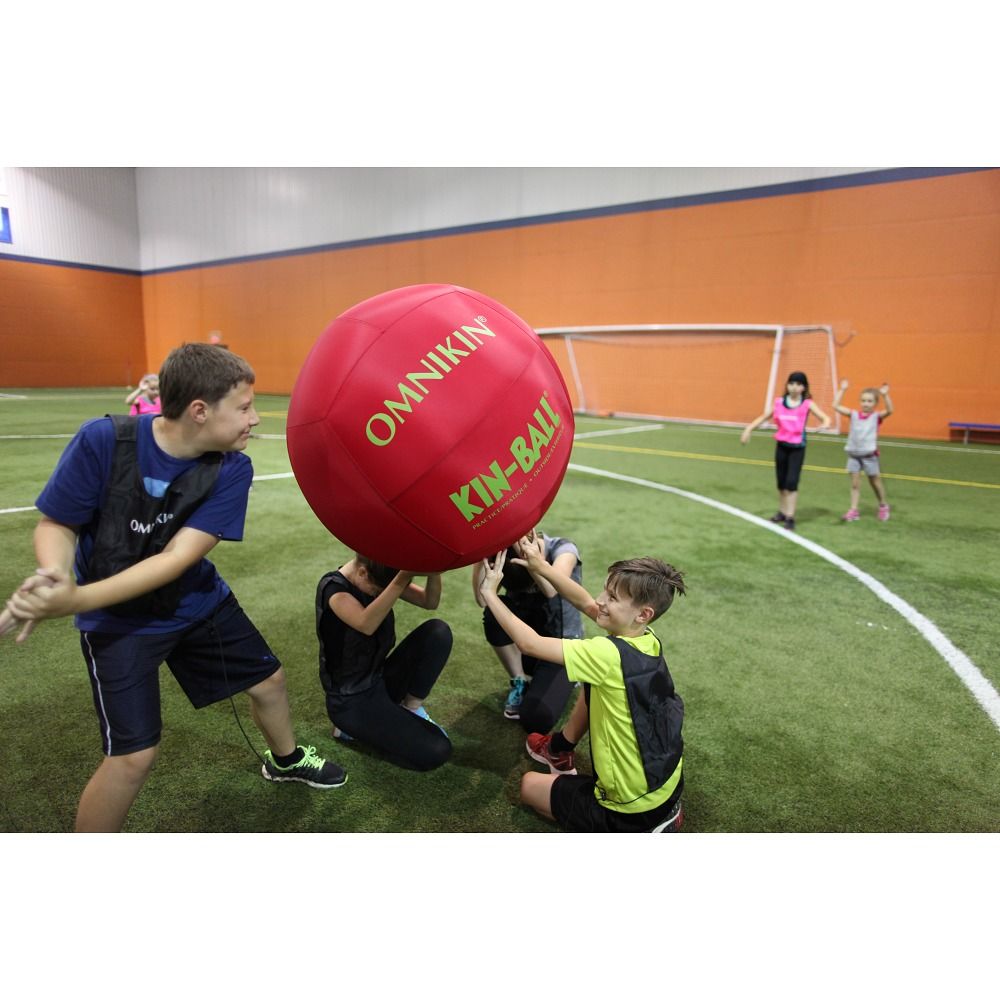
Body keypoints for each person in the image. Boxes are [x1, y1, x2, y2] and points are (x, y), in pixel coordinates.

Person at [0, 343, 346, 832]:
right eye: (244, 407)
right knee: (134, 757)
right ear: (199, 411)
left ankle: (285, 759)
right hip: (118, 623)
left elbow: (178, 558)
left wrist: (74, 599)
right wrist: (57, 572)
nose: (255, 419)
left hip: (198, 603)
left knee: (268, 681)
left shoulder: (231, 467)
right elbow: (56, 523)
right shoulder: (104, 440)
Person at [479, 544, 687, 833]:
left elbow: (530, 644)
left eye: (612, 597)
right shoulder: (647, 639)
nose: (601, 600)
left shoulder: (605, 653)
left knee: (528, 786)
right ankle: (559, 749)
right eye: (605, 590)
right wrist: (542, 568)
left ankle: (646, 829)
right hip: (667, 782)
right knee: (594, 684)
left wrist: (490, 594)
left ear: (643, 614)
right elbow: (586, 603)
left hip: (631, 810)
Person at [317, 554, 452, 772]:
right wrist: (401, 579)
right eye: (378, 591)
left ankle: (411, 708)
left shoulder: (377, 574)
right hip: (350, 701)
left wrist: (434, 571)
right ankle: (348, 729)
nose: (381, 595)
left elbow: (429, 602)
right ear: (362, 573)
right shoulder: (334, 589)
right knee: (438, 749)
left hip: (379, 679)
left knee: (438, 633)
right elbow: (365, 623)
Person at [471, 528, 584, 730]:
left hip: (560, 649)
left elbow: (551, 590)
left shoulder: (563, 549)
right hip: (526, 646)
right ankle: (519, 679)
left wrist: (534, 561)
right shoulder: (500, 553)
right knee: (494, 610)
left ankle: (563, 678)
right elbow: (481, 599)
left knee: (536, 718)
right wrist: (483, 554)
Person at [740, 370, 832, 531]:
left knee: (791, 482)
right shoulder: (779, 402)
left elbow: (825, 417)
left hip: (797, 447)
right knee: (781, 483)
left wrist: (825, 423)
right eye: (791, 383)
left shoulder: (807, 404)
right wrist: (748, 429)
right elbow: (763, 417)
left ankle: (790, 516)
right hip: (781, 446)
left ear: (804, 387)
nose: (794, 387)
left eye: (798, 384)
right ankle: (782, 512)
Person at [832, 379, 894, 522]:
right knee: (854, 484)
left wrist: (885, 395)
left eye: (870, 401)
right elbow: (835, 405)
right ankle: (853, 510)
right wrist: (842, 390)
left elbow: (890, 410)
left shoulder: (876, 417)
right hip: (853, 455)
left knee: (875, 482)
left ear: (875, 404)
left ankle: (883, 506)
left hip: (869, 456)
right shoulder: (853, 414)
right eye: (863, 400)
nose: (866, 404)